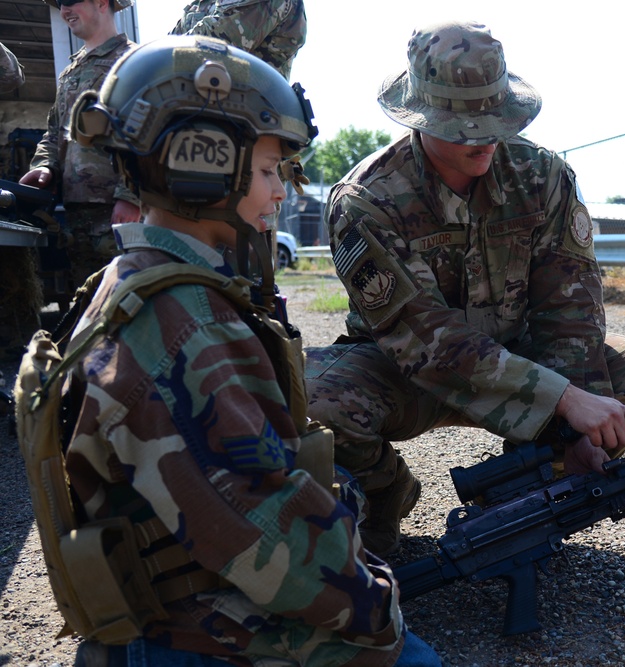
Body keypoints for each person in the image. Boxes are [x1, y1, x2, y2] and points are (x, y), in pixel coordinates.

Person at [61, 35, 439, 665]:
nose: (281, 192)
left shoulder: (142, 281)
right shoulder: (178, 323)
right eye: (267, 172)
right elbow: (261, 526)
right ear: (200, 166)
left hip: (167, 604)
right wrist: (376, 605)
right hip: (189, 631)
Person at [305, 20, 625, 557]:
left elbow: (569, 313)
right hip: (407, 372)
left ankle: (524, 497)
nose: (482, 138)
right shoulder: (368, 199)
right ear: (420, 117)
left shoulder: (542, 177)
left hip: (523, 357)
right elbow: (427, 340)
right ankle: (385, 491)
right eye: (462, 127)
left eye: (493, 120)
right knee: (308, 401)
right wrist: (564, 399)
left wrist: (573, 436)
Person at [19, 0, 141, 292]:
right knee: (89, 302)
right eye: (60, 3)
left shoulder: (134, 62)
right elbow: (55, 132)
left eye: (71, 1)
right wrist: (45, 167)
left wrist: (131, 195)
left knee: (128, 299)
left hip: (119, 212)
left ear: (101, 2)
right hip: (77, 213)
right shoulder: (71, 71)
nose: (64, 11)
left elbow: (148, 133)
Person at [170, 0, 306, 79]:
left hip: (242, 110)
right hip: (193, 98)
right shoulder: (202, 3)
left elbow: (215, 43)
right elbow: (167, 45)